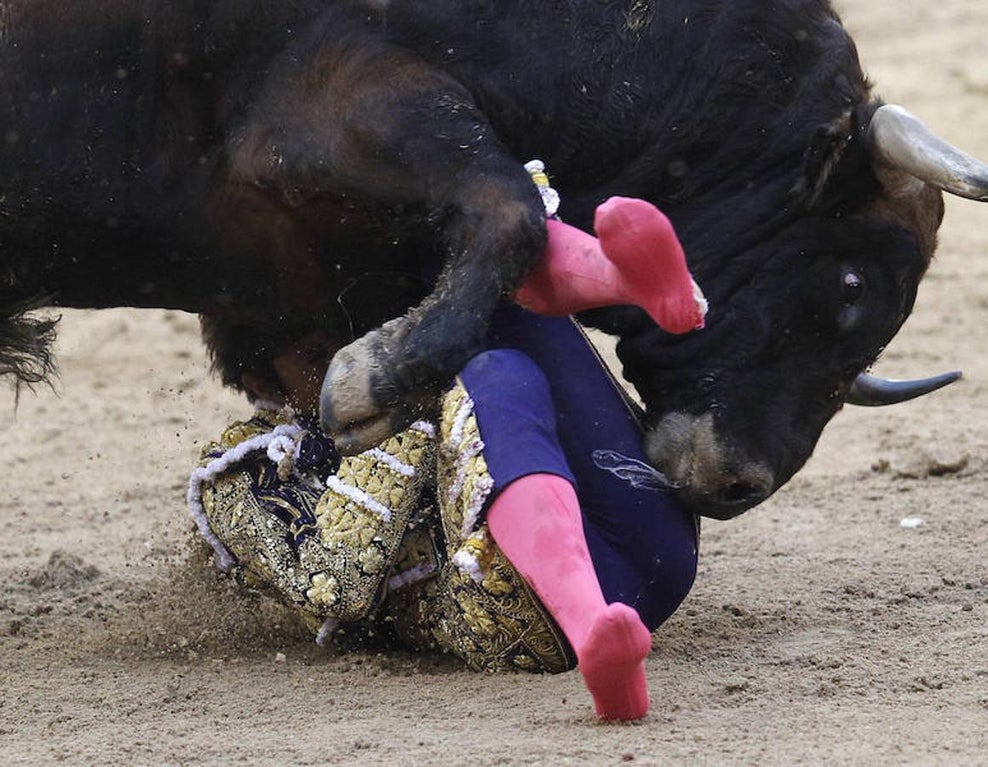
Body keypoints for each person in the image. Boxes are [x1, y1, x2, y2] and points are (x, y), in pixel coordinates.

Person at [189, 182, 704, 721]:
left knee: (475, 266)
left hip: (657, 551)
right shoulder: (237, 475)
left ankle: (638, 284)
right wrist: (400, 407)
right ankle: (592, 629)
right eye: (317, 353)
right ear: (259, 380)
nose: (346, 351)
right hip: (524, 620)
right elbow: (332, 584)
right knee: (495, 371)